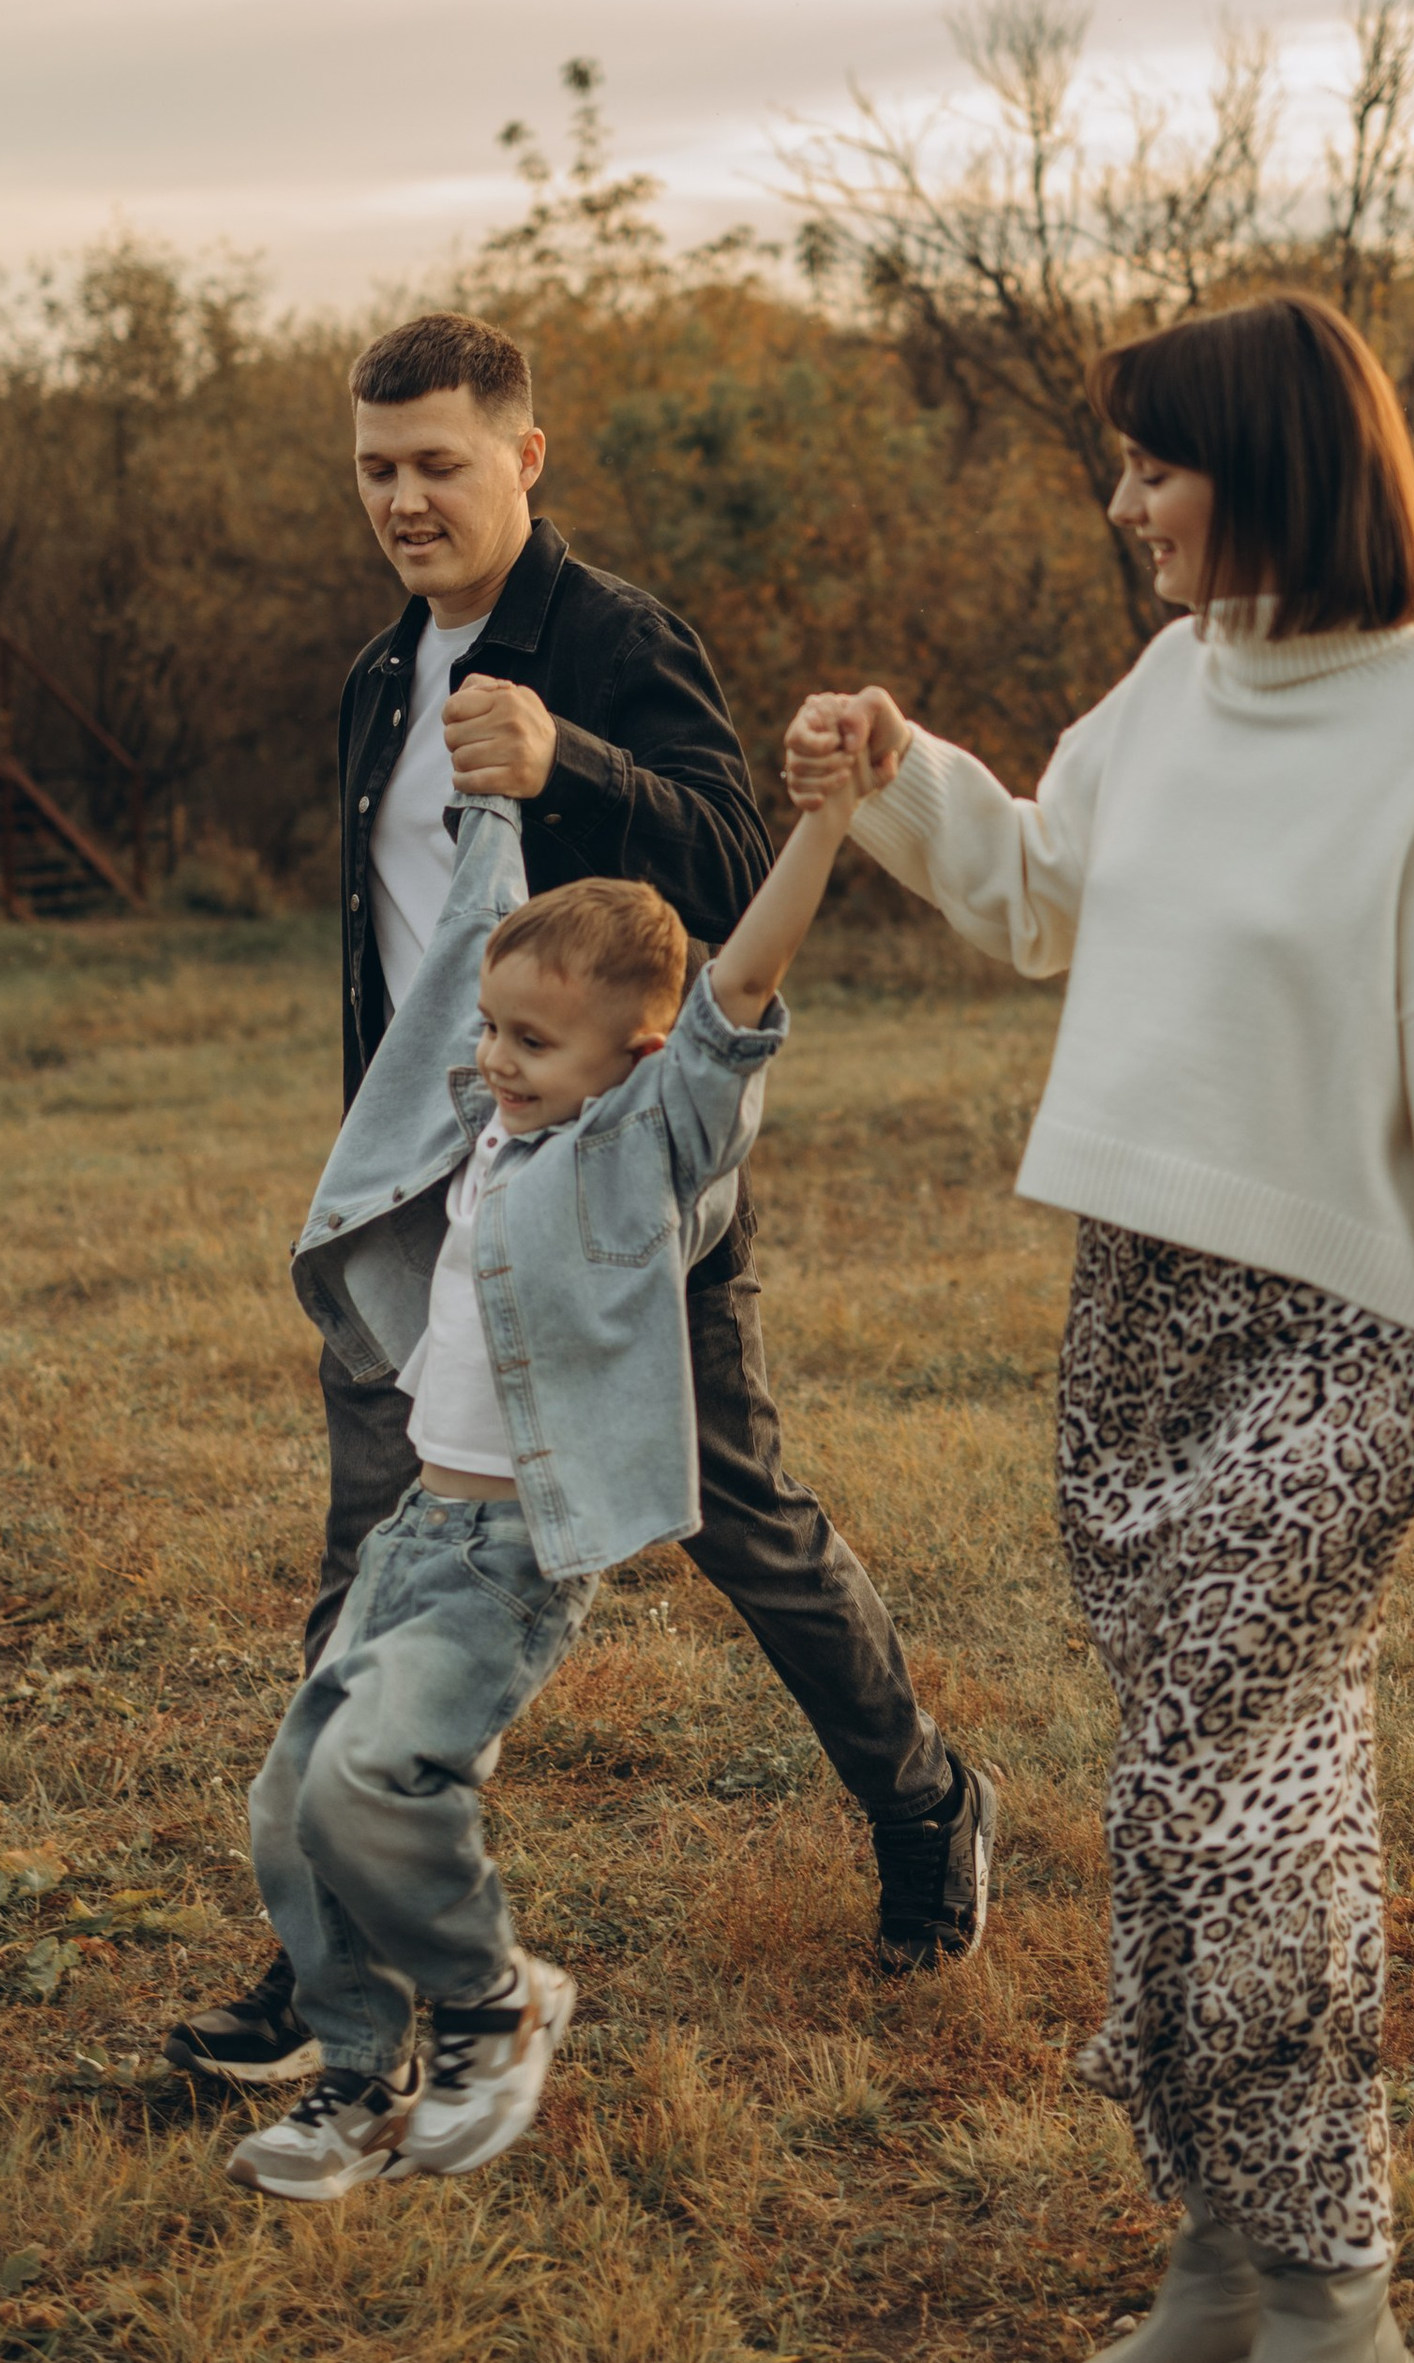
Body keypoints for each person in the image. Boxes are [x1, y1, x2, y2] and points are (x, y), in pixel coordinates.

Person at [783, 289, 1414, 2363]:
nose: (1119, 502)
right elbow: (1042, 896)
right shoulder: (1172, 685)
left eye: (1147, 463)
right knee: (1171, 1790)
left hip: (1333, 1330)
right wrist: (901, 770)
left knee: (1245, 1786)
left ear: (1264, 462)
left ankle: (1341, 2303)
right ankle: (1224, 2251)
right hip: (1131, 1303)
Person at [170, 312, 984, 2091]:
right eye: (376, 467)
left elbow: (726, 853)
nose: (403, 497)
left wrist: (571, 770)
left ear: (523, 457)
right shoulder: (375, 683)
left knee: (734, 1519)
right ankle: (333, 1973)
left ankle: (926, 1802)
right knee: (370, 1567)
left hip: (620, 1189)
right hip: (436, 1194)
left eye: (439, 461)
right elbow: (388, 960)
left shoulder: (613, 642)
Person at [231, 711, 956, 2200]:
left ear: (635, 1058)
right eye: (496, 1034)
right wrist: (490, 808)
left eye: (531, 1042)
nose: (493, 1061)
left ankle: (498, 2002)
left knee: (379, 1780)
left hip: (508, 1559)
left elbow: (741, 983)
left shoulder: (646, 1142)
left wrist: (823, 822)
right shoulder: (492, 1117)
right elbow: (462, 975)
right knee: (291, 1810)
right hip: (414, 1541)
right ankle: (362, 2086)